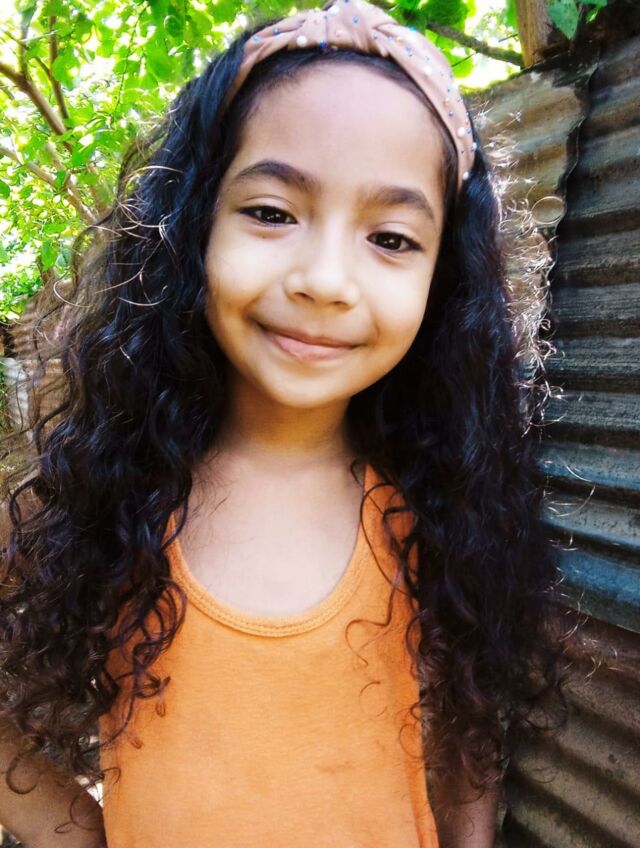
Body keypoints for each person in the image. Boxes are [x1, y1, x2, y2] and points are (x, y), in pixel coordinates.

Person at [0, 1, 572, 846]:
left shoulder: (440, 509)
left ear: (444, 279)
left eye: (391, 238)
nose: (325, 280)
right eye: (272, 212)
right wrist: (75, 832)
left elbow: (469, 730)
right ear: (191, 227)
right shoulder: (106, 493)